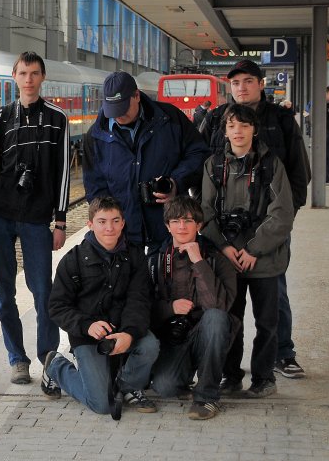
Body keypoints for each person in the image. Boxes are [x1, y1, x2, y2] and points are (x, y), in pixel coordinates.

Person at [198, 59, 309, 380]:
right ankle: (230, 372)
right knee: (229, 302)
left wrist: (284, 217)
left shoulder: (281, 119)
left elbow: (300, 172)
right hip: (226, 235)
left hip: (270, 226)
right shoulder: (217, 118)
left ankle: (282, 355)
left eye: (248, 81)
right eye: (235, 83)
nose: (241, 88)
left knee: (274, 297)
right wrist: (212, 227)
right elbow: (200, 165)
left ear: (261, 84)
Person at [0, 51, 70, 394]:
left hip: (37, 219)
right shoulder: (1, 118)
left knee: (43, 291)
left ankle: (48, 357)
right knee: (4, 292)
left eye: (34, 73)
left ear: (43, 77)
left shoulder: (58, 119)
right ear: (14, 77)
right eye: (23, 73)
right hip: (0, 215)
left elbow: (63, 173)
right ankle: (17, 358)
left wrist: (60, 221)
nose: (28, 79)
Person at [200, 104, 294, 399]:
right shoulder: (213, 165)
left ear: (254, 129)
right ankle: (231, 375)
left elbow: (282, 214)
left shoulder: (272, 164)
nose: (237, 131)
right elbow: (205, 211)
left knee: (267, 322)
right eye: (231, 126)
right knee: (231, 319)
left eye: (243, 125)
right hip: (228, 258)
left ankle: (264, 377)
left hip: (265, 258)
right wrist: (226, 247)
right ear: (224, 131)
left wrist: (253, 248)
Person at [44, 196, 160, 415]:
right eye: (102, 221)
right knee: (101, 404)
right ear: (90, 224)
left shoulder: (135, 256)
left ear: (123, 223)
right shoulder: (73, 260)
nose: (109, 228)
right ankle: (56, 367)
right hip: (88, 335)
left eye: (116, 221)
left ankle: (127, 387)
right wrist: (87, 325)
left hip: (123, 329)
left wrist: (129, 333)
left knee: (150, 345)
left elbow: (140, 300)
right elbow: (57, 307)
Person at [83, 71, 208, 251]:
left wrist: (176, 182)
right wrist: (110, 224)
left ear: (137, 96)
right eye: (113, 110)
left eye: (123, 108)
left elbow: (199, 153)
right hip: (123, 238)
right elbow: (94, 187)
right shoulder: (96, 136)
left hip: (169, 231)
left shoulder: (170, 119)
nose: (118, 116)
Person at [149, 196, 237, 420]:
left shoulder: (217, 260)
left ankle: (207, 397)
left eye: (188, 221)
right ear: (167, 226)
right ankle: (185, 375)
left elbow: (219, 306)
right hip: (172, 338)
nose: (182, 227)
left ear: (199, 226)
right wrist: (170, 308)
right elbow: (142, 307)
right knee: (165, 387)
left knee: (216, 318)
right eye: (176, 221)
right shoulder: (155, 261)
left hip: (206, 335)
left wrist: (198, 260)